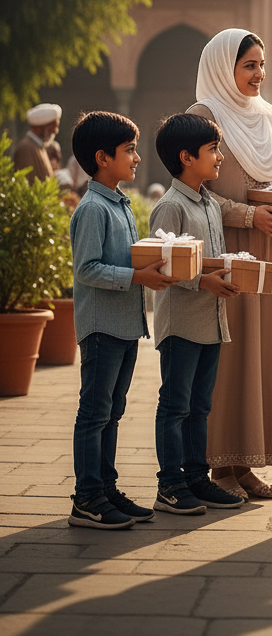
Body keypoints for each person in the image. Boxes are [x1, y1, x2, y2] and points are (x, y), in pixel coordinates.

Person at [188, 29, 272, 501]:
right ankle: (220, 466)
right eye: (248, 66)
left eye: (261, 64)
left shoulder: (268, 115)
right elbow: (194, 191)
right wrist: (246, 215)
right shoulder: (203, 116)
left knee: (261, 352)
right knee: (230, 355)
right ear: (223, 68)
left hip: (266, 244)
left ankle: (246, 462)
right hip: (227, 245)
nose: (259, 74)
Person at [68, 111, 176, 529]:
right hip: (101, 328)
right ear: (102, 157)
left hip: (124, 324)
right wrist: (138, 276)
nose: (136, 158)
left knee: (112, 412)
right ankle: (87, 498)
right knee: (94, 413)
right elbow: (87, 269)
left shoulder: (120, 203)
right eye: (128, 151)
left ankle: (105, 489)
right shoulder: (93, 208)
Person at [149, 113, 246, 515]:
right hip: (182, 324)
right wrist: (203, 281)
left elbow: (205, 259)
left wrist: (229, 268)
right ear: (186, 157)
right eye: (213, 150)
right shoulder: (170, 207)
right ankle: (170, 485)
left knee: (200, 405)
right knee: (175, 405)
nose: (219, 157)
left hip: (211, 321)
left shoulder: (208, 201)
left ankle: (196, 479)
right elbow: (160, 268)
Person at [13, 103, 61, 182]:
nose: (55, 131)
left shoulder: (38, 147)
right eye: (52, 127)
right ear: (40, 127)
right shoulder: (26, 149)